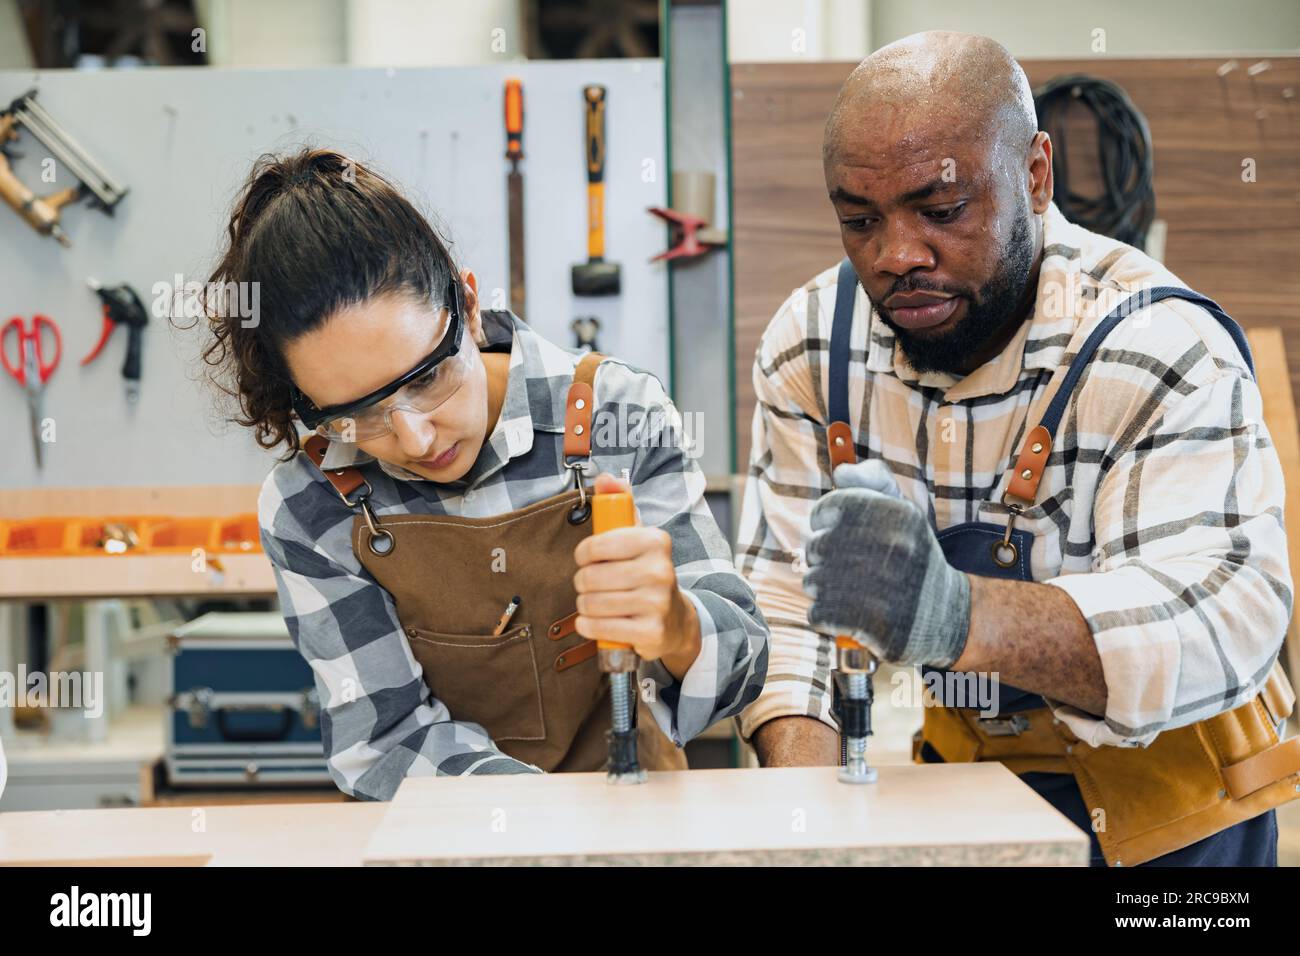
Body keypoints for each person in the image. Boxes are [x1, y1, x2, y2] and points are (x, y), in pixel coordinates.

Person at [736, 31, 1297, 866]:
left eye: (942, 210)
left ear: (1035, 176)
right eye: (859, 219)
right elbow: (788, 610)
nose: (897, 257)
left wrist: (959, 616)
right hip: (973, 798)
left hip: (1178, 818)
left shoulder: (1154, 342)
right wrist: (810, 824)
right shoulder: (816, 346)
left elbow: (1216, 622)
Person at [198, 148, 768, 801]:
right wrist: (549, 823)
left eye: (426, 377)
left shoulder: (618, 416)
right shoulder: (310, 507)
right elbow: (386, 745)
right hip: (456, 845)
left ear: (467, 307)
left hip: (637, 827)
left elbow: (743, 670)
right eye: (354, 415)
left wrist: (678, 626)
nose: (413, 437)